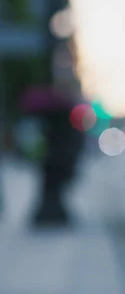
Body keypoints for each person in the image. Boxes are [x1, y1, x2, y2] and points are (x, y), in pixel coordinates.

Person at [19, 85, 84, 226]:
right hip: (60, 163)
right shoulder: (66, 122)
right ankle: (54, 215)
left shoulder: (50, 123)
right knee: (54, 191)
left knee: (51, 189)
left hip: (54, 163)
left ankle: (51, 216)